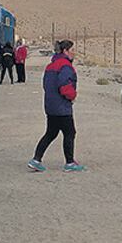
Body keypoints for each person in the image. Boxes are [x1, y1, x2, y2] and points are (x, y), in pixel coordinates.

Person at [27, 40, 84, 172]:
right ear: (65, 51)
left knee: (51, 133)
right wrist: (72, 96)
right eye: (73, 50)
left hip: (50, 106)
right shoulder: (65, 67)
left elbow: (45, 85)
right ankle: (70, 163)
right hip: (62, 107)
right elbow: (64, 86)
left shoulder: (50, 66)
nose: (74, 52)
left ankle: (36, 160)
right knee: (69, 133)